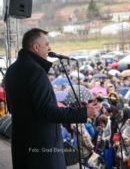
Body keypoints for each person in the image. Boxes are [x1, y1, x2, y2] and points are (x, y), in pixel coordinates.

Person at [5, 28, 100, 169]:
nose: (49, 48)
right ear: (36, 47)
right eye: (47, 44)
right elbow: (47, 111)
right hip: (42, 152)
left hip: (22, 146)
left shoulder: (12, 70)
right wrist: (83, 113)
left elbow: (12, 108)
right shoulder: (36, 72)